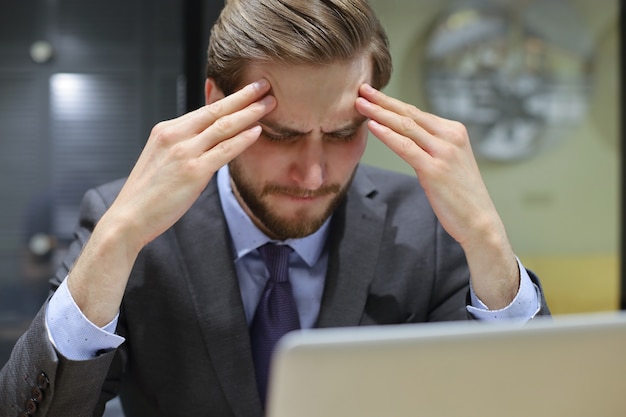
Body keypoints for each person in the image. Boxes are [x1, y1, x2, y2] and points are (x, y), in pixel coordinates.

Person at [1, 0, 550, 415]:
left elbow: (530, 401)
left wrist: (487, 238)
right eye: (280, 135)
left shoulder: (424, 223)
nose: (313, 175)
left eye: (343, 134)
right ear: (218, 106)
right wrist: (118, 240)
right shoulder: (129, 223)